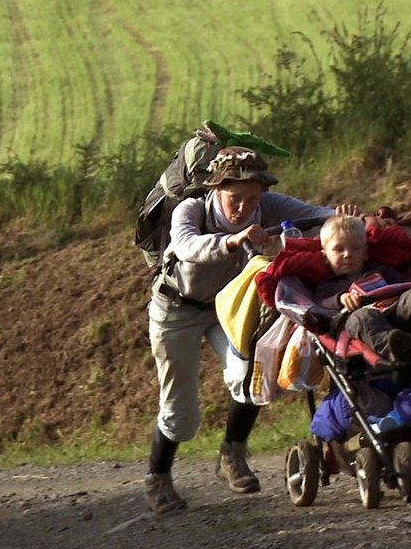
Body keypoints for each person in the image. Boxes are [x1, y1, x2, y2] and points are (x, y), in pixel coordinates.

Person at [145, 146, 358, 514]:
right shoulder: (191, 209)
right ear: (215, 190)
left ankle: (233, 453)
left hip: (226, 305)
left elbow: (315, 216)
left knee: (250, 376)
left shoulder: (268, 206)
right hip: (176, 310)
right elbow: (186, 246)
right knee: (180, 411)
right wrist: (233, 240)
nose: (242, 207)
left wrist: (350, 220)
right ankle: (158, 477)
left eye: (251, 198)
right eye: (234, 198)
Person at [256, 214, 411, 363]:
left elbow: (401, 282)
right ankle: (398, 350)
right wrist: (341, 299)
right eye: (339, 249)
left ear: (366, 253)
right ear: (325, 257)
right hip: (362, 317)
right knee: (361, 318)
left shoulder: (381, 270)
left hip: (396, 308)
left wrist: (399, 293)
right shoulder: (327, 285)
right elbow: (319, 304)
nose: (347, 254)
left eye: (355, 248)